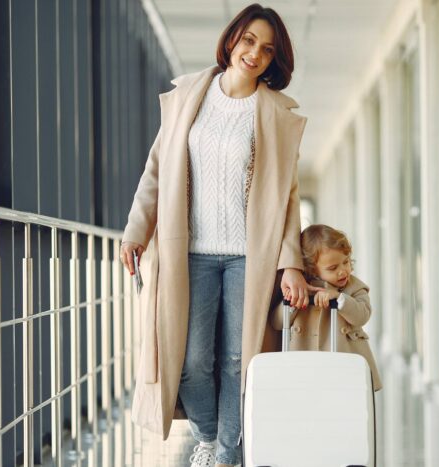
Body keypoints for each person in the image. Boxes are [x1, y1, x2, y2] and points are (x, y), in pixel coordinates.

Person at [119, 4, 316, 467]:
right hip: (189, 254)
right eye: (249, 41)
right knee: (189, 362)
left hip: (251, 256)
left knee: (237, 362)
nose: (255, 54)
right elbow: (156, 171)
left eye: (267, 49)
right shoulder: (189, 95)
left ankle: (226, 455)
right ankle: (209, 437)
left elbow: (287, 197)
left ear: (274, 60)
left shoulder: (275, 115)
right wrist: (135, 232)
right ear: (232, 40)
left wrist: (290, 262)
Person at [270, 224, 383, 391]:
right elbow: (277, 323)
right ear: (311, 269)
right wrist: (294, 302)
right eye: (333, 268)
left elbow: (362, 316)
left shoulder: (355, 288)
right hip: (305, 367)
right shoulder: (301, 289)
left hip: (345, 367)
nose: (343, 271)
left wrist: (339, 297)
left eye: (346, 262)